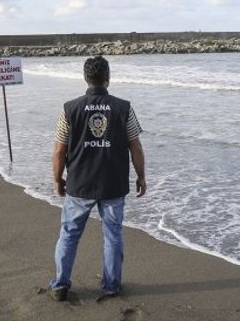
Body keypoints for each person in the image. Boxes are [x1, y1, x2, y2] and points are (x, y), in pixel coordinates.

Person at [49, 55, 146, 302]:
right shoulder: (123, 108)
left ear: (85, 78)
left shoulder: (70, 108)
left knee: (69, 234)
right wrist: (141, 176)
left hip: (79, 183)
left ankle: (61, 284)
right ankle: (112, 284)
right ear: (108, 78)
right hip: (112, 183)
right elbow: (135, 145)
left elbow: (59, 149)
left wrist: (57, 179)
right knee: (112, 234)